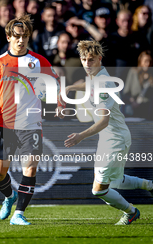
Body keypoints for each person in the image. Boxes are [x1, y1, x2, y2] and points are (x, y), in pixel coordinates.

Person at [0, 14, 65, 225]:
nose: (20, 40)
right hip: (5, 125)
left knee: (30, 168)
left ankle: (19, 214)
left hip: (31, 124)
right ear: (8, 36)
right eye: (16, 36)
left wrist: (58, 103)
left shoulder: (38, 61)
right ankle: (9, 196)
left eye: (24, 36)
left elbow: (55, 85)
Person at [64, 39, 153, 225]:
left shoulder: (104, 84)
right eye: (83, 59)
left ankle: (131, 212)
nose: (87, 64)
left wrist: (80, 136)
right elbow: (88, 86)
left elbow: (104, 121)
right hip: (109, 138)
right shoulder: (95, 77)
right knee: (115, 182)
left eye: (91, 60)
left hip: (115, 138)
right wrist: (71, 87)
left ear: (100, 59)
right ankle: (149, 185)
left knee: (98, 189)